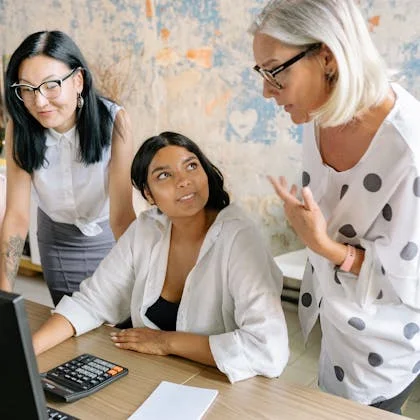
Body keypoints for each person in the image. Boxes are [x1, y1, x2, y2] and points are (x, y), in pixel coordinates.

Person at [250, 0, 420, 414]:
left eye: (275, 71)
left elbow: (411, 282)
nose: (266, 90)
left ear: (326, 56)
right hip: (336, 324)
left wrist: (325, 246)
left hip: (386, 346)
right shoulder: (319, 113)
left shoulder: (409, 151)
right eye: (261, 72)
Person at [32, 131, 289, 383]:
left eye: (191, 166)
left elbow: (269, 350)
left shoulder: (239, 238)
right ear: (148, 194)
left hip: (225, 385)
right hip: (154, 377)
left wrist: (166, 342)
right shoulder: (146, 229)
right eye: (164, 175)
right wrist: (27, 352)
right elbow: (92, 302)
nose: (183, 180)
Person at [1, 31, 136, 304]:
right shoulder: (21, 127)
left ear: (78, 80)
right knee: (67, 323)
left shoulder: (114, 122)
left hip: (108, 237)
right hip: (56, 241)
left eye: (51, 85)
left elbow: (121, 216)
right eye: (26, 89)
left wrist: (140, 277)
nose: (39, 101)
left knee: (116, 329)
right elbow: (16, 215)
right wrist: (3, 294)